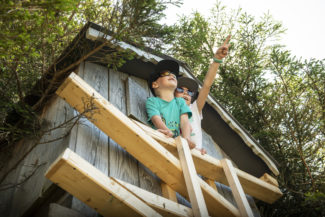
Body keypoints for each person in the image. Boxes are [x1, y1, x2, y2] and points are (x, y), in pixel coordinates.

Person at [175, 35, 231, 154]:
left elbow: (206, 86)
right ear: (173, 93)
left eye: (189, 92)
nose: (185, 92)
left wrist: (217, 60)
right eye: (180, 89)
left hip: (197, 157)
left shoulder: (194, 109)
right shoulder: (169, 106)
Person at [146, 59, 196, 149]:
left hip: (176, 144)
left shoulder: (180, 102)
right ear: (155, 84)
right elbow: (156, 119)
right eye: (165, 73)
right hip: (159, 141)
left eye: (174, 75)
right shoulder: (152, 101)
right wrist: (167, 131)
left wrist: (187, 139)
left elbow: (184, 121)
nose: (172, 75)